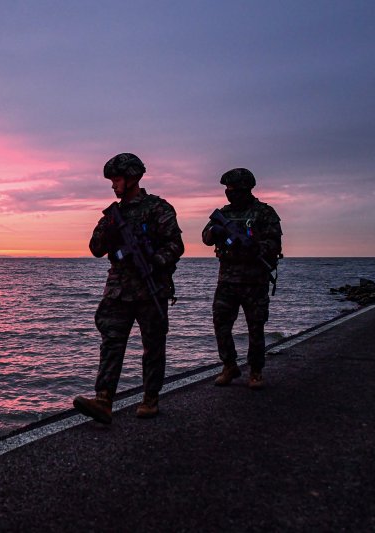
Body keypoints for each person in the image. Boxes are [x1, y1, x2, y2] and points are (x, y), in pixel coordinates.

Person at [73, 153, 184, 423]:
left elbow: (175, 245)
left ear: (132, 178)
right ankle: (104, 400)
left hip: (151, 288)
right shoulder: (113, 215)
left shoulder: (158, 208)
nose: (113, 185)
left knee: (153, 345)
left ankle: (150, 398)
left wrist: (155, 260)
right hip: (119, 290)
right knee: (111, 342)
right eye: (112, 180)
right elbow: (96, 248)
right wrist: (110, 230)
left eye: (117, 179)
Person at [201, 168, 282, 389]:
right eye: (227, 189)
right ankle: (229, 365)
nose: (229, 193)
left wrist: (256, 246)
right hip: (227, 280)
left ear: (245, 189)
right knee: (221, 323)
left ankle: (255, 371)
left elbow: (275, 243)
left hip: (254, 281)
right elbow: (206, 238)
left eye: (233, 189)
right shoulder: (224, 214)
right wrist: (217, 232)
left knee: (255, 327)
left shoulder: (264, 213)